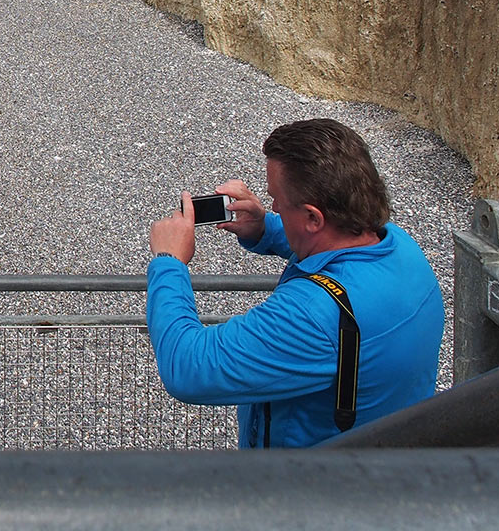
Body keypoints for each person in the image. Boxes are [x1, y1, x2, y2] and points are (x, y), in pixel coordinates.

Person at [146, 117, 444, 448]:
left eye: (277, 201)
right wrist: (265, 228)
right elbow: (336, 248)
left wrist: (169, 262)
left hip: (305, 489)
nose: (272, 205)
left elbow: (187, 367)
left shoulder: (314, 314)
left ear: (313, 218)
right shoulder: (399, 247)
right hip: (387, 468)